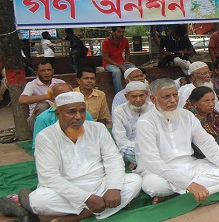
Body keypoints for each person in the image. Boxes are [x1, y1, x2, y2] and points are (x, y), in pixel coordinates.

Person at [30, 92, 142, 221]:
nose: (78, 117)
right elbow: (49, 176)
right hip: (67, 190)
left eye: (82, 111)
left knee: (135, 181)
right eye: (71, 112)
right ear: (58, 114)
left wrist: (114, 188)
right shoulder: (45, 136)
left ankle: (69, 218)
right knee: (38, 200)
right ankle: (104, 208)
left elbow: (113, 159)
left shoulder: (98, 128)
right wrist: (86, 198)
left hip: (100, 184)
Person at [135, 78, 219, 204]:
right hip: (160, 171)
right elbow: (153, 162)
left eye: (175, 95)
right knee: (153, 185)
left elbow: (208, 144)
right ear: (153, 99)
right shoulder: (145, 123)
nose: (173, 100)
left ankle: (177, 194)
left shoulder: (187, 115)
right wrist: (188, 184)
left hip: (190, 165)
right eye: (167, 97)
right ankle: (193, 190)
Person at [32, 83, 94, 150]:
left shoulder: (84, 113)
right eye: (62, 95)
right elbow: (38, 147)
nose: (78, 117)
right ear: (52, 98)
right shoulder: (43, 118)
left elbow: (93, 134)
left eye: (70, 94)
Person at [112, 81, 152, 168]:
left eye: (141, 95)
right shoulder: (119, 111)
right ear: (126, 97)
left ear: (147, 95)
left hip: (152, 145)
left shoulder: (154, 108)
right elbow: (120, 139)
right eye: (134, 96)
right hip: (130, 148)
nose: (138, 99)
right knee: (122, 151)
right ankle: (147, 163)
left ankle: (140, 164)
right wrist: (139, 148)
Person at [19, 61, 65, 134]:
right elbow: (22, 100)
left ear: (52, 71)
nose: (47, 73)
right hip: (37, 121)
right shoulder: (32, 85)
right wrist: (47, 96)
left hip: (57, 117)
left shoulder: (60, 83)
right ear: (36, 73)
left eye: (49, 70)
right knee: (43, 105)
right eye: (43, 71)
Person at [102, 26, 135, 94]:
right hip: (108, 63)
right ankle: (119, 94)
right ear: (113, 32)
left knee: (134, 69)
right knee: (116, 72)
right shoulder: (106, 41)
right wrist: (120, 66)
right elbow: (105, 57)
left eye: (123, 32)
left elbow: (127, 50)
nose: (121, 34)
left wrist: (126, 60)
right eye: (119, 32)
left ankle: (135, 90)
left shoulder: (125, 40)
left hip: (121, 62)